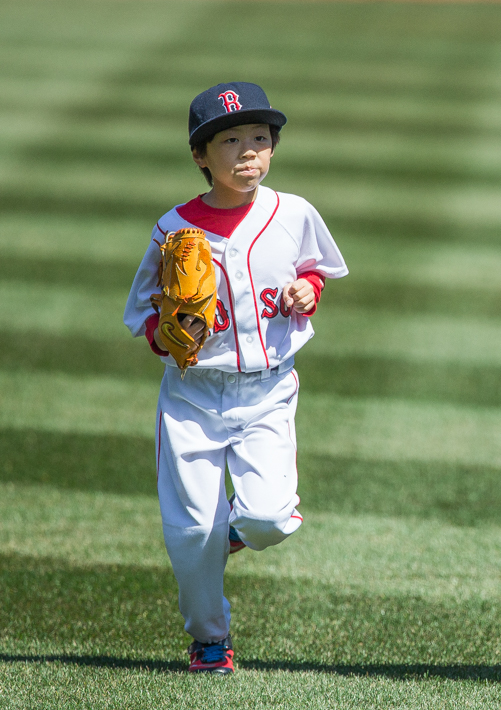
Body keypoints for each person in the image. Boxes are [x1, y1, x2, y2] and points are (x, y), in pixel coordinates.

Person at [123, 82, 348, 674]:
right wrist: (163, 334)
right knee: (191, 528)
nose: (249, 151)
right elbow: (142, 311)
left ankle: (221, 542)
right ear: (201, 156)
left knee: (269, 519)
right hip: (192, 397)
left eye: (260, 138)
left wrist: (309, 290)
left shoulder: (293, 212)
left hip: (269, 390)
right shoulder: (174, 228)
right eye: (231, 141)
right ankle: (209, 640)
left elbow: (314, 269)